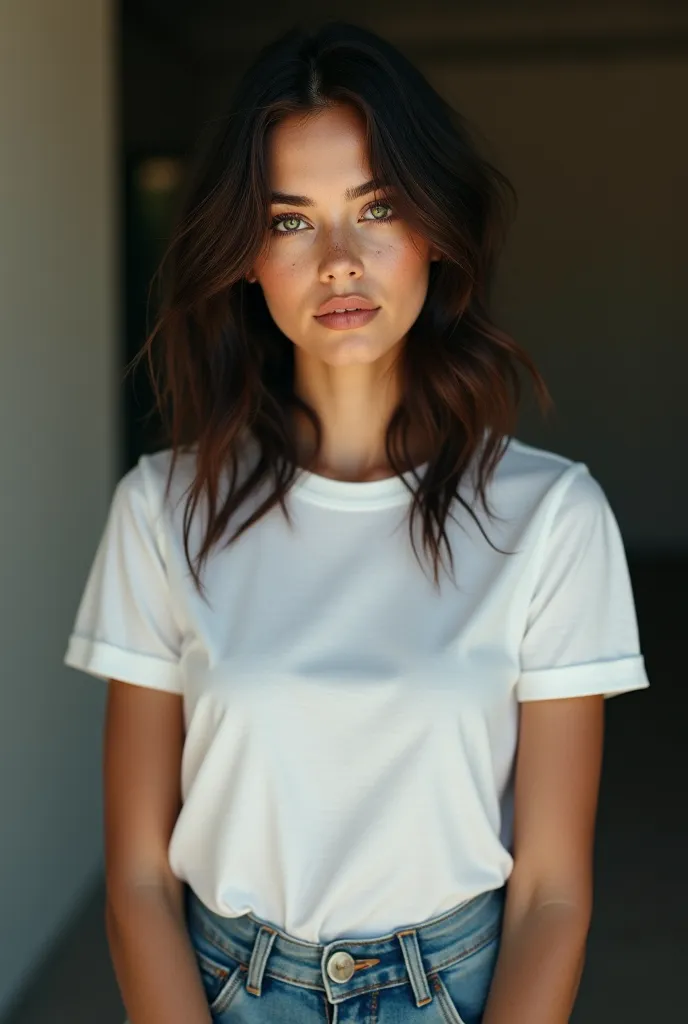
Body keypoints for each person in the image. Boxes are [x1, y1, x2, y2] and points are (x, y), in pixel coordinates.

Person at [63, 19, 650, 1024]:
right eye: (291, 221)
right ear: (247, 255)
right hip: (224, 992)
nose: (338, 260)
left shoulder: (549, 518)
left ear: (433, 230)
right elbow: (138, 882)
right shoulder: (160, 510)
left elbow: (552, 894)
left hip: (453, 994)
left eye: (374, 208)